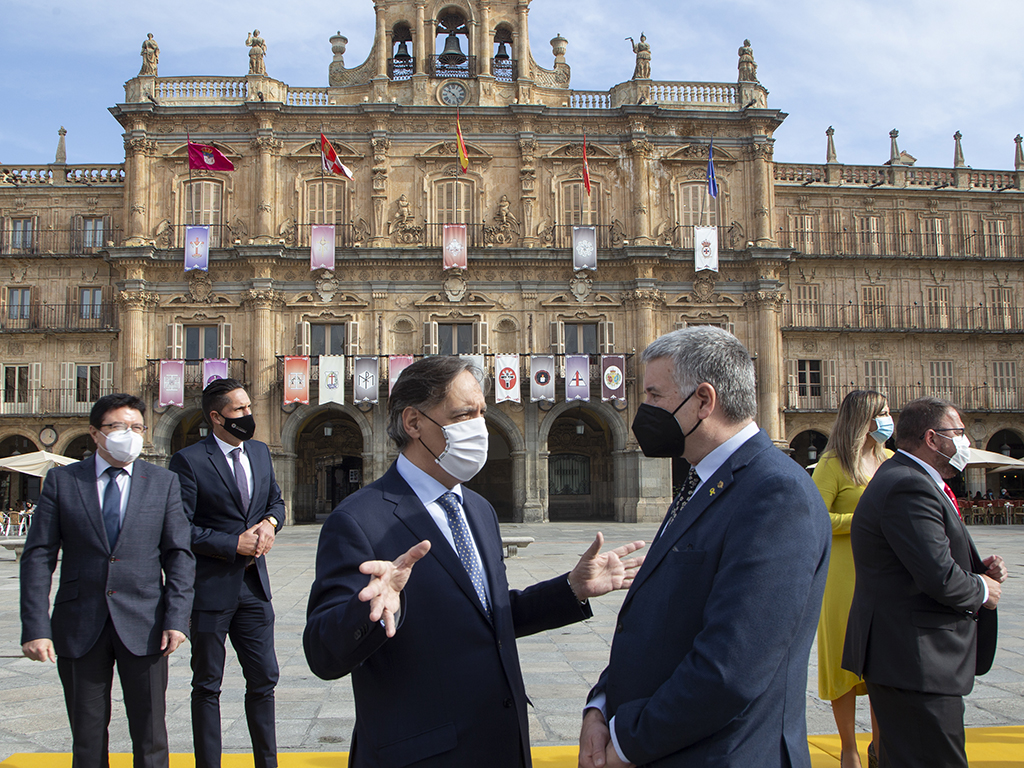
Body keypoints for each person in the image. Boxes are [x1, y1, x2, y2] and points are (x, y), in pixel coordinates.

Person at [304, 355, 646, 767]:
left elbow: (488, 616)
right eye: (464, 415)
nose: (479, 427)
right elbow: (322, 653)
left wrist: (571, 589)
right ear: (413, 423)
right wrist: (371, 610)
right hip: (421, 756)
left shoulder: (479, 509)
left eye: (482, 412)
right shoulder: (358, 520)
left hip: (501, 744)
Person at [579, 326, 831, 768]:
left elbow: (732, 666)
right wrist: (601, 706)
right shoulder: (703, 481)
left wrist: (626, 742)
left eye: (655, 395)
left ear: (703, 401)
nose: (643, 408)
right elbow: (659, 625)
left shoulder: (775, 494)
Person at [20, 393, 195, 768]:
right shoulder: (63, 481)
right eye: (118, 426)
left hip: (146, 624)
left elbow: (179, 554)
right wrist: (35, 627)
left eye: (136, 427)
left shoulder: (163, 482)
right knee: (86, 737)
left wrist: (177, 619)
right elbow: (38, 556)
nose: (128, 434)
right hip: (79, 623)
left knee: (151, 736)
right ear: (95, 433)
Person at [842, 397, 1007, 768]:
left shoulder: (907, 478)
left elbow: (922, 557)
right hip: (916, 661)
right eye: (958, 432)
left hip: (910, 659)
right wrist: (984, 589)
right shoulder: (908, 485)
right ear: (932, 438)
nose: (965, 441)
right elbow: (938, 576)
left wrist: (977, 569)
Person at [169, 378, 285, 768]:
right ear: (217, 417)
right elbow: (180, 527)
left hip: (254, 588)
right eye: (240, 410)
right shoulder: (189, 460)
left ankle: (267, 763)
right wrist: (232, 543)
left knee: (264, 680)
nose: (249, 415)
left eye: (249, 407)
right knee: (207, 685)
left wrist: (270, 523)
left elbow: (276, 502)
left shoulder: (260, 452)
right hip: (210, 589)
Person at [811, 391, 892, 768]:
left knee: (882, 663)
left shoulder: (890, 460)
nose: (890, 420)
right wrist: (860, 522)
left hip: (885, 574)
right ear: (865, 419)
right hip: (843, 577)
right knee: (844, 661)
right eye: (883, 413)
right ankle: (848, 750)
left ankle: (880, 746)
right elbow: (815, 518)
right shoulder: (832, 464)